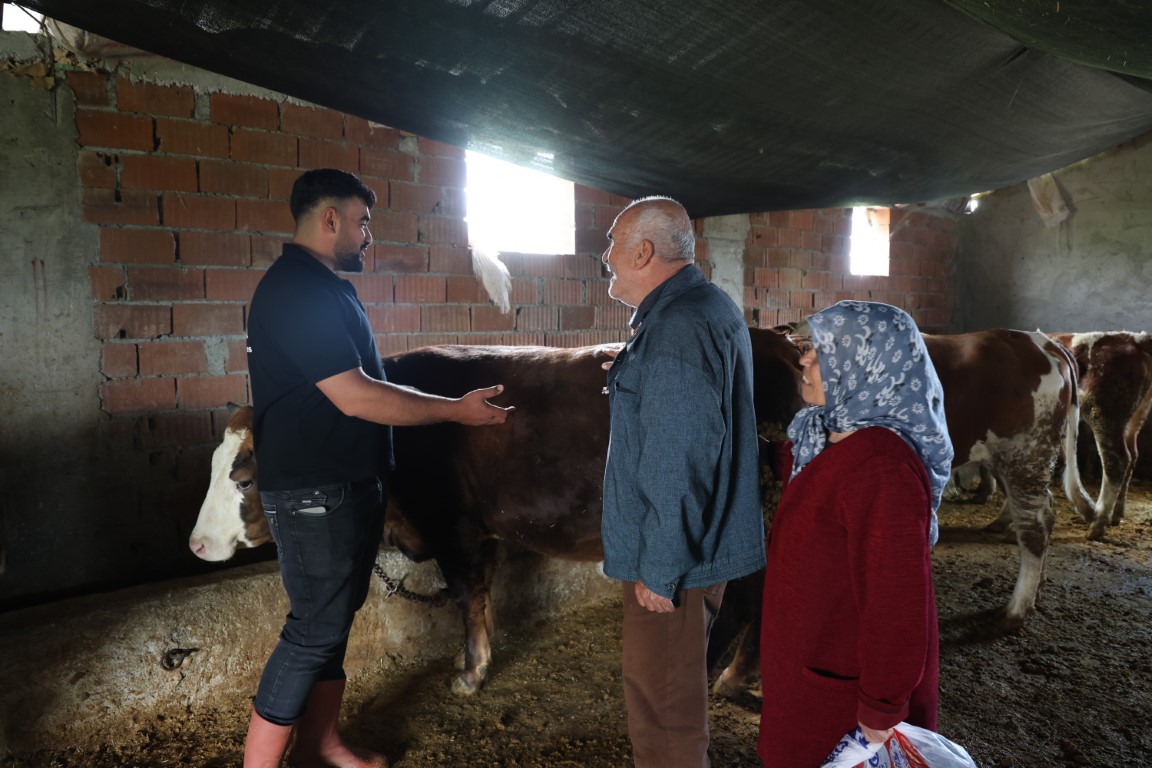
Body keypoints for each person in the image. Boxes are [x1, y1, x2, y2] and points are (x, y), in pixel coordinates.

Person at [243, 168, 513, 768]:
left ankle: (321, 744)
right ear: (330, 218)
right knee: (313, 628)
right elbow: (357, 395)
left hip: (344, 483)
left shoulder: (324, 285)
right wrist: (455, 411)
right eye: (363, 222)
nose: (369, 236)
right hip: (315, 491)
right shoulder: (298, 291)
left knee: (332, 622)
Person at [600, 196, 766, 767]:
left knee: (663, 712)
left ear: (643, 251)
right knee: (671, 697)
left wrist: (661, 567)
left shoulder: (676, 329)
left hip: (676, 558)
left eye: (614, 247)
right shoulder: (702, 309)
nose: (608, 259)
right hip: (698, 546)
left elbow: (679, 460)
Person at [757, 300, 953, 768]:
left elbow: (897, 603)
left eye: (822, 351)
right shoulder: (827, 433)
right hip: (811, 666)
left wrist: (882, 707)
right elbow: (802, 474)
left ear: (865, 365)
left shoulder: (882, 468)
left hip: (844, 696)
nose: (803, 360)